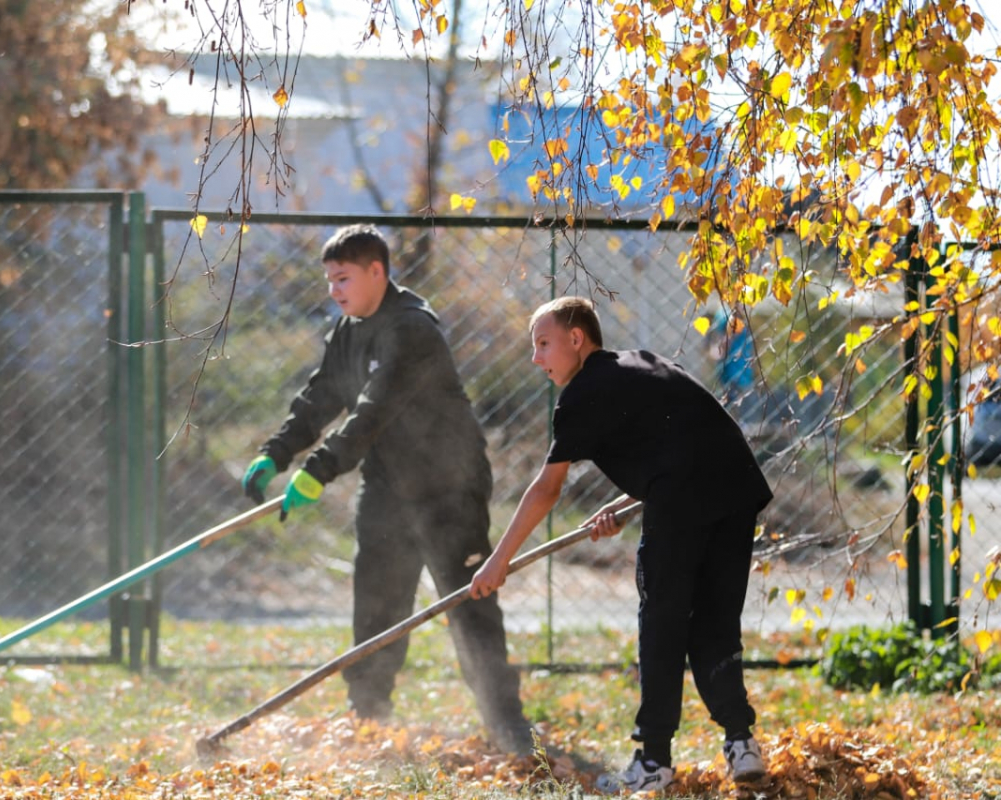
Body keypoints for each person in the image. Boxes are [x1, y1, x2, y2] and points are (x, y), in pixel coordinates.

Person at [240, 223, 532, 754]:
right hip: (387, 488)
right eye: (329, 280)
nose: (334, 290)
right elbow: (321, 398)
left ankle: (507, 725)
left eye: (343, 278)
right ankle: (368, 714)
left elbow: (372, 412)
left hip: (450, 486)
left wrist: (319, 471)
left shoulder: (412, 330)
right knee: (377, 600)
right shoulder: (348, 332)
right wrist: (276, 454)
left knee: (470, 602)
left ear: (378, 271)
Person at [469, 295, 774, 793]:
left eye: (543, 344)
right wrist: (634, 498)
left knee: (663, 626)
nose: (536, 358)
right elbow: (679, 441)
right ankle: (742, 745)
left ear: (576, 338)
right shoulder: (643, 364)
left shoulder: (581, 395)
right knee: (715, 623)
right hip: (735, 490)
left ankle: (654, 761)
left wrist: (497, 562)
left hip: (686, 499)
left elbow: (547, 489)